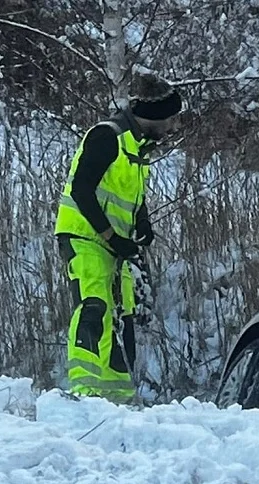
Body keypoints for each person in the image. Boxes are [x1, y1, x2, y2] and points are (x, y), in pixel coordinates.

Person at [54, 72, 182, 403]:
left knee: (119, 316)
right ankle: (84, 391)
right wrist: (111, 236)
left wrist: (142, 223)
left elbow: (129, 195)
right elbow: (82, 190)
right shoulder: (106, 137)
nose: (173, 127)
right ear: (152, 116)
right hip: (85, 237)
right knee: (93, 304)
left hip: (113, 245)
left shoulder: (137, 147)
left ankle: (116, 397)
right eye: (170, 119)